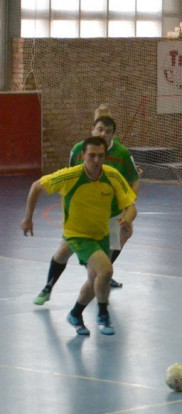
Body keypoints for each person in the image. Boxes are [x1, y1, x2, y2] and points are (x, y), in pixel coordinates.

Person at [21, 136, 137, 335]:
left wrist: (126, 219)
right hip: (77, 236)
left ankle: (75, 314)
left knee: (95, 281)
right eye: (92, 155)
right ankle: (103, 315)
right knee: (106, 271)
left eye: (100, 156)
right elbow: (36, 187)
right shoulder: (70, 176)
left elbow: (131, 206)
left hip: (101, 235)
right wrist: (28, 218)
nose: (96, 160)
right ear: (83, 155)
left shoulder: (112, 176)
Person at [33, 105, 139, 306]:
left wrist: (128, 207)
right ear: (92, 129)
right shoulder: (79, 150)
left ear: (113, 134)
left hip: (111, 216)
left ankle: (101, 278)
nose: (103, 134)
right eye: (100, 129)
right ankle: (48, 286)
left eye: (108, 131)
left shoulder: (122, 154)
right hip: (83, 218)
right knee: (63, 252)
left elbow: (134, 181)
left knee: (115, 247)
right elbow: (70, 179)